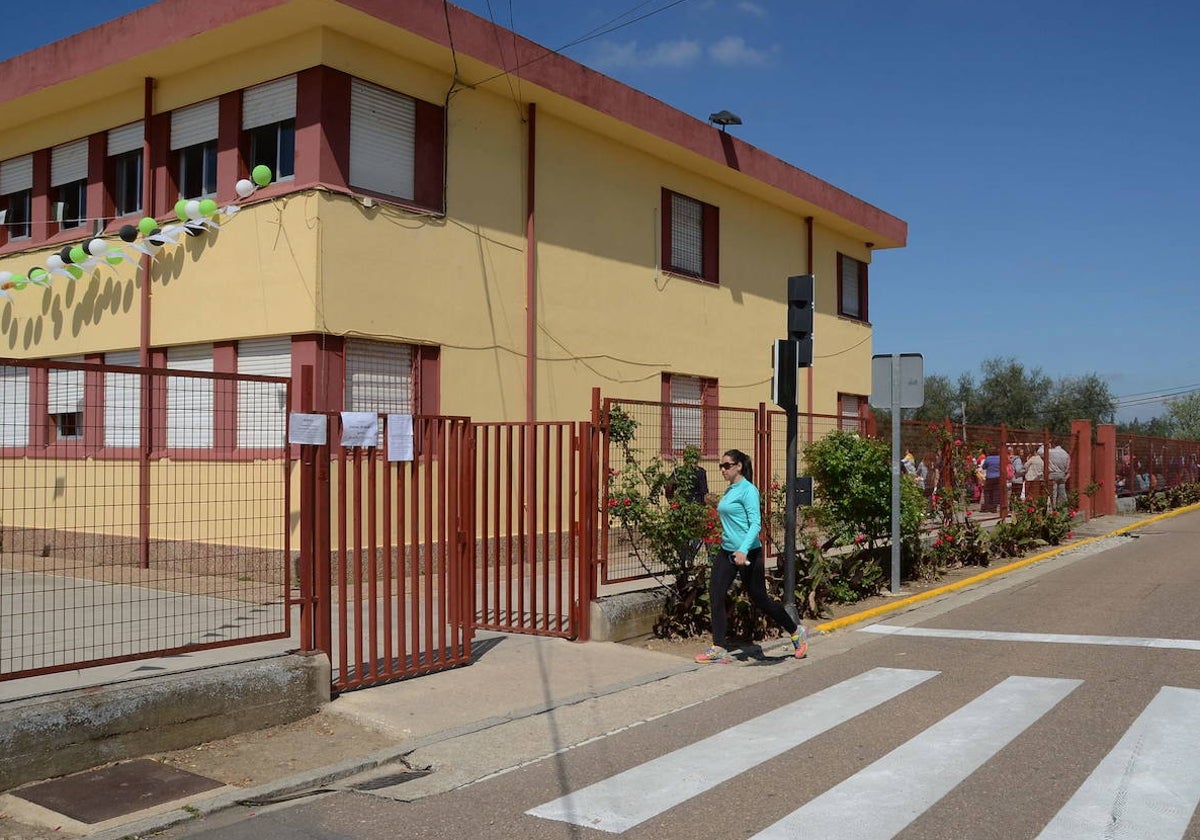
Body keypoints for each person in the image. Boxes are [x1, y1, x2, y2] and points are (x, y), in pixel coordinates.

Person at [695, 449, 807, 664]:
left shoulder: (748, 490)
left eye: (726, 465)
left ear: (738, 466)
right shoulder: (730, 491)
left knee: (760, 599)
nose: (722, 470)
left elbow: (755, 523)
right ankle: (719, 647)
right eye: (721, 466)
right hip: (727, 551)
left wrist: (743, 549)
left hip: (749, 553)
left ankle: (796, 630)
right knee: (716, 594)